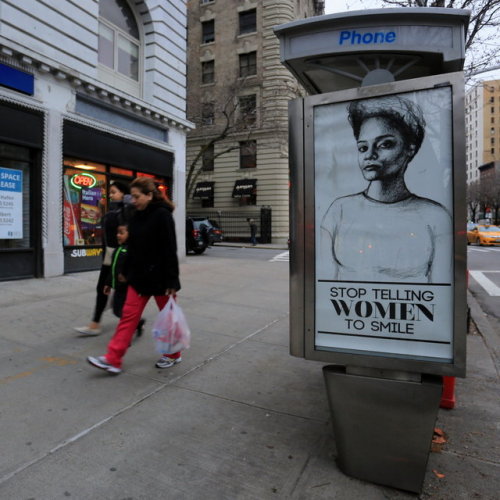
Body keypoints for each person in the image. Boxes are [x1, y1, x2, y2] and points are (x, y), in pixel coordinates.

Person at [320, 95, 452, 283]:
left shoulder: (435, 217)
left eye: (385, 144)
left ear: (410, 149)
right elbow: (326, 285)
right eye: (363, 148)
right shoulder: (338, 211)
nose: (370, 155)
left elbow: (439, 291)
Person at [87, 177, 181, 374]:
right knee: (128, 318)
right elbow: (132, 247)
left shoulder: (162, 215)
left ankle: (173, 354)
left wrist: (172, 279)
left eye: (137, 196)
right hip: (138, 278)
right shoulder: (136, 215)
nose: (133, 200)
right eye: (132, 196)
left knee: (168, 318)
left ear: (149, 195)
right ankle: (113, 359)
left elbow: (169, 248)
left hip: (162, 279)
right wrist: (123, 272)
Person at [74, 180, 133, 335]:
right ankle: (95, 324)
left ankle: (136, 323)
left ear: (123, 194)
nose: (110, 195)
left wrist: (127, 206)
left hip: (121, 257)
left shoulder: (127, 211)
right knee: (103, 289)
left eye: (114, 192)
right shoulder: (111, 211)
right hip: (109, 256)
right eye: (110, 192)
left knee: (122, 295)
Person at [103, 224, 145, 337]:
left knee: (124, 312)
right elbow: (112, 268)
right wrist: (108, 284)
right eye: (117, 233)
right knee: (117, 311)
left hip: (127, 288)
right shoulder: (117, 249)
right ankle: (138, 323)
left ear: (130, 234)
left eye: (121, 233)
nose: (118, 235)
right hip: (117, 287)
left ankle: (126, 332)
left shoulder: (131, 250)